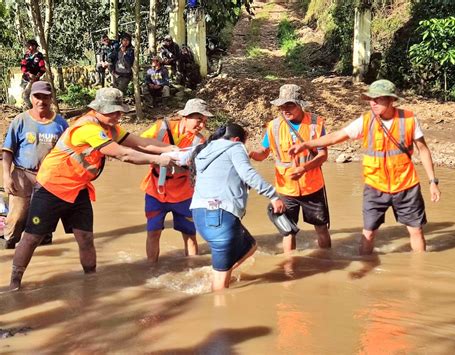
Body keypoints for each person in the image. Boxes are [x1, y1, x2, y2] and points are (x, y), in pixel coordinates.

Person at [9, 88, 176, 291]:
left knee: (86, 237)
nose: (118, 116)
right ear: (97, 110)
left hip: (78, 188)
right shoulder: (87, 128)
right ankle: (14, 284)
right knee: (33, 237)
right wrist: (160, 160)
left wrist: (172, 150)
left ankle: (91, 281)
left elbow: (141, 143)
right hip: (52, 188)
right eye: (113, 112)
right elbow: (124, 155)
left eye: (119, 111)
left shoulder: (110, 127)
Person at [289, 79, 441, 255]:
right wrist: (307, 144)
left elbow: (423, 150)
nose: (373, 103)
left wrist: (432, 181)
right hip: (374, 186)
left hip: (406, 186)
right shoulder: (366, 121)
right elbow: (336, 136)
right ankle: (365, 268)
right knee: (368, 233)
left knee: (416, 230)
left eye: (378, 99)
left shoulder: (409, 119)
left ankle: (419, 270)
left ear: (391, 100)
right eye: (370, 99)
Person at [190, 123, 285, 291]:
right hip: (221, 216)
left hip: (200, 216)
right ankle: (219, 304)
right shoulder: (235, 147)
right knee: (220, 290)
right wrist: (273, 195)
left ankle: (218, 274)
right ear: (236, 139)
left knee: (250, 245)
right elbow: (248, 174)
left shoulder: (203, 150)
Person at [249, 84, 331, 253]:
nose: (285, 109)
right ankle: (289, 269)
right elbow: (263, 154)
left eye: (290, 104)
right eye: (282, 105)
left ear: (301, 104)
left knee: (321, 228)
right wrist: (249, 153)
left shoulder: (316, 123)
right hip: (286, 189)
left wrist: (304, 168)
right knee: (288, 232)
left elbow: (323, 155)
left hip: (312, 187)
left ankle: (327, 261)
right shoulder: (273, 126)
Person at [140, 98, 211, 263]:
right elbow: (139, 145)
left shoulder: (200, 141)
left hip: (184, 193)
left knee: (190, 235)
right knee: (153, 232)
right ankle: (151, 269)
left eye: (205, 121)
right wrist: (159, 156)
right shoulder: (160, 128)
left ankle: (192, 268)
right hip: (156, 190)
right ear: (184, 117)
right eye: (199, 120)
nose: (202, 125)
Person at [1, 81, 69, 250]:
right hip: (22, 175)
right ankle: (9, 244)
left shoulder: (61, 124)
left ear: (51, 98)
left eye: (45, 97)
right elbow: (8, 151)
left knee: (43, 223)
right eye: (37, 96)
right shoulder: (20, 120)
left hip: (49, 179)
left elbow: (68, 154)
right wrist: (6, 176)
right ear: (31, 98)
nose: (41, 101)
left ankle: (45, 249)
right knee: (17, 218)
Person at [20, 39, 46, 109]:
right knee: (24, 97)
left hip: (33, 80)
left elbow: (43, 69)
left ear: (34, 46)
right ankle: (31, 110)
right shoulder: (26, 55)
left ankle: (33, 110)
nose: (28, 48)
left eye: (29, 46)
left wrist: (36, 77)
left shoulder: (39, 56)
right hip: (25, 78)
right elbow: (23, 67)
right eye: (27, 46)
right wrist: (28, 73)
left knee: (26, 95)